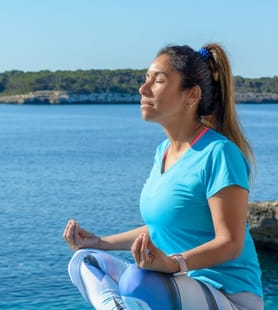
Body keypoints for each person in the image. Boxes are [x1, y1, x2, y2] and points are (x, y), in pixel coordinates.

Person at [63, 43, 263, 310]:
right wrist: (101, 242)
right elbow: (164, 227)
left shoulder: (220, 153)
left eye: (157, 81)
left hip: (229, 296)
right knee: (87, 260)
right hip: (179, 285)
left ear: (191, 95)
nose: (143, 89)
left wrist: (173, 264)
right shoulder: (163, 152)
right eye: (146, 79)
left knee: (137, 280)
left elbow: (231, 242)